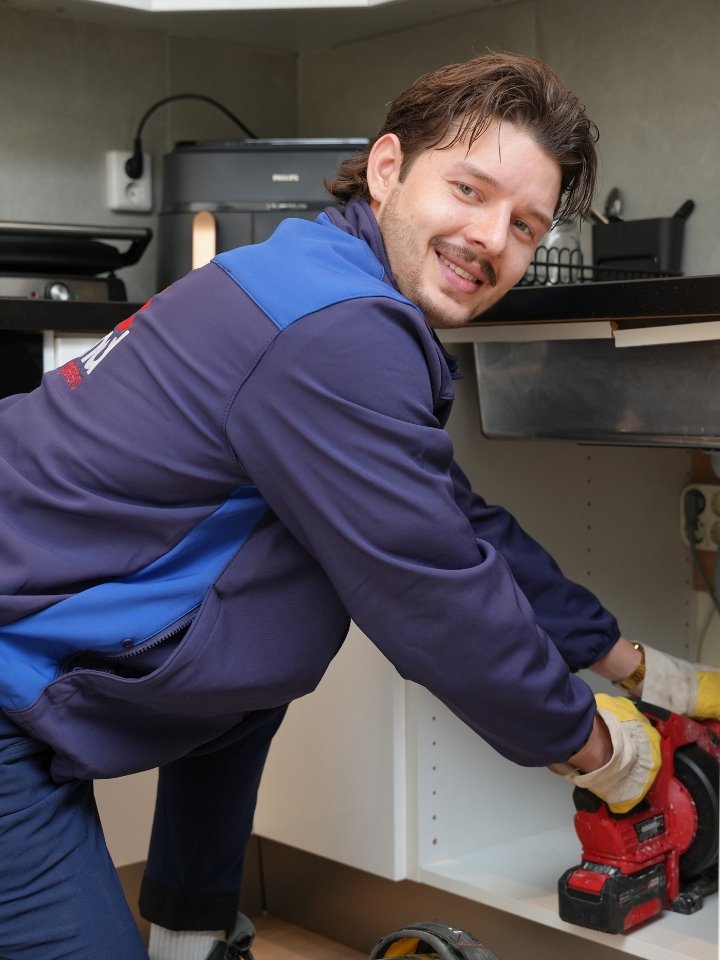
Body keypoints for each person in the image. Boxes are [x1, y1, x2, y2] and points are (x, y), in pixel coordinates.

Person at [0, 52, 717, 960]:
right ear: (387, 169)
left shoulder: (313, 277)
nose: (491, 237)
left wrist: (640, 668)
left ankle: (190, 937)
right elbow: (436, 596)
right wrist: (599, 752)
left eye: (526, 225)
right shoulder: (338, 334)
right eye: (468, 188)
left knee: (251, 660)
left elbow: (453, 525)